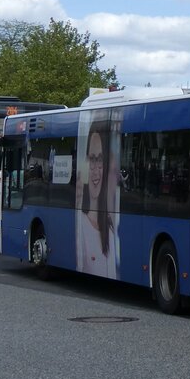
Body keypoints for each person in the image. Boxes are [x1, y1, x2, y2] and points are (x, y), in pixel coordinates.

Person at [76, 117, 119, 277]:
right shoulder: (80, 225)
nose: (95, 170)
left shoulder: (110, 228)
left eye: (100, 159)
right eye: (92, 159)